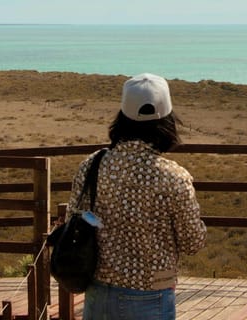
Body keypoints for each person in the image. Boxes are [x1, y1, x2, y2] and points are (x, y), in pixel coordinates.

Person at [67, 73, 207, 320]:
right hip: (150, 296)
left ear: (122, 116)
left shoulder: (93, 165)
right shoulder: (174, 177)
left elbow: (73, 221)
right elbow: (192, 242)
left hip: (97, 292)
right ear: (167, 120)